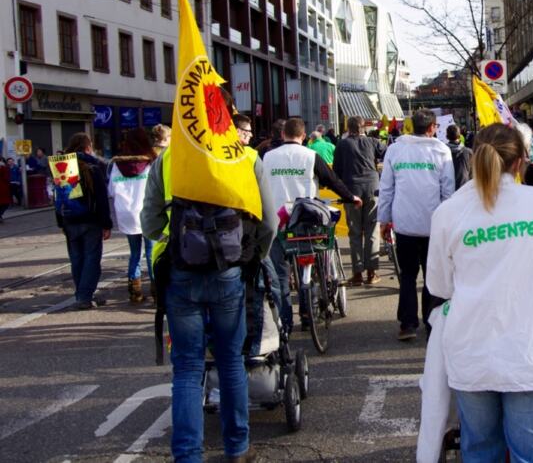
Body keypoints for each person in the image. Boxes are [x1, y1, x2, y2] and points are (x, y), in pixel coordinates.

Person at [425, 123, 533, 461]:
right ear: (520, 161)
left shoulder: (449, 212)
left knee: (480, 449)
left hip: (473, 348)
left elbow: (438, 286)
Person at [141, 126, 276, 463]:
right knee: (231, 361)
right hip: (228, 271)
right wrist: (253, 255)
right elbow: (270, 222)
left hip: (181, 272)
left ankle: (187, 456)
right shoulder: (245, 156)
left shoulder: (170, 157)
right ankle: (237, 448)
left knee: (187, 368)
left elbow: (150, 223)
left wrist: (175, 236)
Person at [263, 118, 359, 332]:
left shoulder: (267, 157)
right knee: (310, 265)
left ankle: (285, 325)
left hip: (277, 223)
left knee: (280, 276)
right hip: (305, 221)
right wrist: (351, 197)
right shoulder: (310, 156)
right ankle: (308, 313)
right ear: (304, 136)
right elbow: (332, 180)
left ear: (283, 135)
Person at [378, 108, 455, 341]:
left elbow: (387, 188)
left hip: (404, 224)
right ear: (432, 127)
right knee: (433, 275)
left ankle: (408, 324)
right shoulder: (442, 151)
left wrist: (384, 220)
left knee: (408, 275)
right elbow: (448, 191)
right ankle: (432, 323)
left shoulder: (395, 149)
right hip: (434, 224)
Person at [56, 133, 113, 310]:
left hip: (69, 220)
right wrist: (106, 223)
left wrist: (60, 222)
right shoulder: (93, 166)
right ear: (88, 147)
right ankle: (84, 296)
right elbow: (102, 197)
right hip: (91, 220)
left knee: (77, 258)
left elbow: (58, 197)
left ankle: (82, 293)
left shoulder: (62, 166)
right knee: (91, 258)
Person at [333, 115, 387, 285]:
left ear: (347, 128)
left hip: (352, 190)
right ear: (364, 127)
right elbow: (386, 150)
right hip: (372, 187)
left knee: (354, 232)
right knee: (372, 231)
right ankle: (372, 273)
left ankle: (357, 274)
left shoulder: (342, 145)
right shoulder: (372, 141)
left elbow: (336, 170)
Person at [108, 128, 157, 303]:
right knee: (152, 253)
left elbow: (111, 190)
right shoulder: (151, 163)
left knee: (135, 252)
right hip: (146, 212)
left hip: (126, 214)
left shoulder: (116, 165)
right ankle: (156, 290)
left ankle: (134, 291)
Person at [446, 124, 473, 190]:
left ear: (447, 136)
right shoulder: (469, 152)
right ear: (459, 135)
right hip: (464, 188)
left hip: (448, 189)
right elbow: (473, 173)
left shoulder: (442, 152)